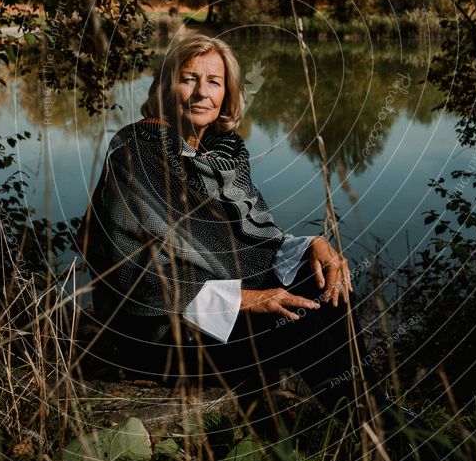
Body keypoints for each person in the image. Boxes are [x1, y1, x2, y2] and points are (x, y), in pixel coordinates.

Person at [77, 34, 399, 429]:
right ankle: (373, 431)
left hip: (218, 320)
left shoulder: (222, 154)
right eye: (187, 78)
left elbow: (248, 242)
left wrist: (313, 244)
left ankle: (370, 411)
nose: (201, 93)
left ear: (227, 93)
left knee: (327, 285)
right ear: (165, 86)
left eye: (214, 81)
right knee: (304, 319)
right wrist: (245, 299)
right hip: (161, 332)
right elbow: (134, 271)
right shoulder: (136, 152)